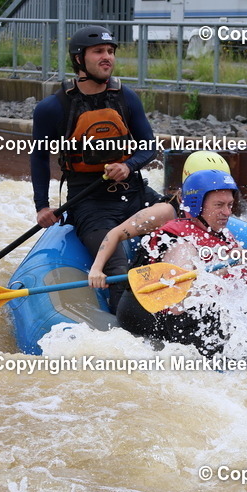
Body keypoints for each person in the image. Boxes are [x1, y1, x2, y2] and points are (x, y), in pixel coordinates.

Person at [116, 170, 247, 355]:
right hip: (157, 319)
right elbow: (179, 306)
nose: (228, 212)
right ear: (196, 204)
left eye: (230, 205)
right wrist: (221, 270)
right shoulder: (179, 245)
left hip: (203, 320)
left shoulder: (225, 239)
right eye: (219, 205)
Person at [30, 25, 163, 312]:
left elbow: (149, 146)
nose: (108, 57)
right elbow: (39, 157)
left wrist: (128, 166)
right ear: (79, 59)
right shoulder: (52, 108)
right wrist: (42, 206)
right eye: (99, 51)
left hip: (134, 192)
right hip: (90, 201)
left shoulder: (126, 97)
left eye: (111, 51)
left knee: (181, 228)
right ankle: (129, 331)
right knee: (116, 268)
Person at [87, 151, 231, 289]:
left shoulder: (214, 218)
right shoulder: (165, 211)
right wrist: (96, 269)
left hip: (183, 279)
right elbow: (116, 233)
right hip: (149, 284)